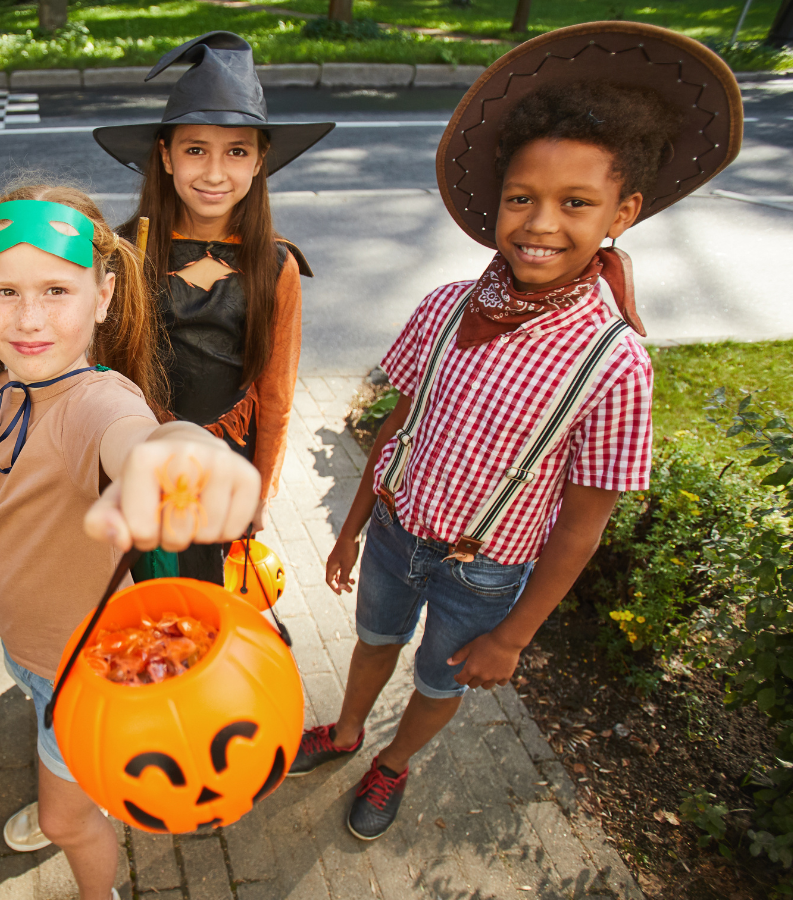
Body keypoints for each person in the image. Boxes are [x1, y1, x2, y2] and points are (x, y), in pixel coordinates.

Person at [295, 22, 744, 842]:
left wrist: (516, 634)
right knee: (372, 639)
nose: (542, 223)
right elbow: (401, 421)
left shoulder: (614, 365)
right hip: (397, 533)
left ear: (623, 212)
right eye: (521, 199)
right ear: (497, 203)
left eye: (577, 204)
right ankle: (349, 728)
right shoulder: (443, 305)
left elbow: (583, 524)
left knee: (441, 679)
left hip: (486, 573)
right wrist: (355, 524)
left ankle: (391, 762)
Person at [0, 186, 262, 899]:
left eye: (57, 290)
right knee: (45, 727)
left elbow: (138, 440)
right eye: (8, 291)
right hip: (34, 653)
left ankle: (91, 868)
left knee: (66, 820)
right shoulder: (1, 382)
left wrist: (175, 454)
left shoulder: (95, 402)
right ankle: (73, 782)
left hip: (82, 672)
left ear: (103, 295)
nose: (29, 318)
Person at [93, 31, 332, 583]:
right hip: (138, 451)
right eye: (195, 149)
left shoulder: (277, 266)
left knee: (201, 596)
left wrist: (261, 490)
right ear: (166, 154)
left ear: (259, 161)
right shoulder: (123, 250)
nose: (215, 172)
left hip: (225, 462)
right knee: (139, 584)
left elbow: (276, 392)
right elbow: (99, 372)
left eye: (237, 151)